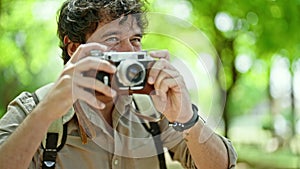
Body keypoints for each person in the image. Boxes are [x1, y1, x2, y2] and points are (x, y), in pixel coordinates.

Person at [0, 0, 237, 169]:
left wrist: (186, 118)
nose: (128, 52)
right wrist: (46, 113)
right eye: (112, 39)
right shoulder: (33, 109)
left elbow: (222, 165)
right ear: (74, 48)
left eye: (135, 40)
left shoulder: (154, 107)